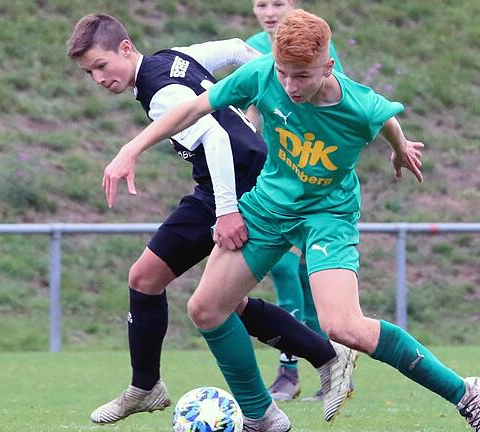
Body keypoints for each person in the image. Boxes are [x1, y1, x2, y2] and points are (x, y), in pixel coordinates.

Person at [102, 9, 480, 432]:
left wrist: (400, 148)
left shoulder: (359, 104)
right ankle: (261, 416)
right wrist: (132, 149)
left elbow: (386, 117)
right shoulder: (262, 75)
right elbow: (192, 109)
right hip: (269, 205)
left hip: (327, 215)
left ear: (327, 67)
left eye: (303, 76)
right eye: (284, 74)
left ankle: (467, 393)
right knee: (206, 309)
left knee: (343, 326)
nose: (290, 86)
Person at [66, 13, 356, 431]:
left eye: (100, 66)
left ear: (125, 49)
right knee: (195, 293)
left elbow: (215, 140)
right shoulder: (174, 57)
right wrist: (268, 87)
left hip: (236, 189)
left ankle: (155, 388)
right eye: (88, 72)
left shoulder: (160, 91)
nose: (97, 78)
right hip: (233, 181)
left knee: (172, 289)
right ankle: (317, 361)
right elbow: (239, 48)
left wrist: (227, 212)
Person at [246, 0, 346, 403]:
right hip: (270, 184)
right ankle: (291, 373)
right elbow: (250, 103)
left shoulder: (321, 52)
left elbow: (334, 115)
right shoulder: (253, 46)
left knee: (307, 287)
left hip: (308, 184)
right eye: (261, 3)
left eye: (278, 3)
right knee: (287, 278)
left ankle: (329, 367)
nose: (269, 11)